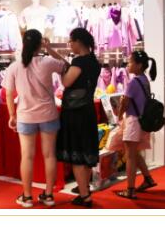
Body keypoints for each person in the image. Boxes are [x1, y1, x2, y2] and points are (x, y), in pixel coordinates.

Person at [3, 29, 68, 208]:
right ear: (40, 44)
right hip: (48, 114)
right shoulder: (48, 62)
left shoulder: (14, 66)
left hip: (25, 116)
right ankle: (49, 195)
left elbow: (9, 94)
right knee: (49, 155)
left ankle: (27, 196)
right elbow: (66, 64)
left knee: (27, 156)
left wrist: (12, 115)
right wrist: (50, 48)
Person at [56, 28, 101, 207]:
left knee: (77, 154)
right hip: (87, 110)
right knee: (86, 152)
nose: (70, 45)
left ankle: (85, 196)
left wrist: (61, 72)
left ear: (78, 42)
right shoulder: (93, 61)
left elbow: (66, 82)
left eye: (71, 41)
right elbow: (70, 66)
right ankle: (85, 189)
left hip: (75, 113)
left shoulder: (79, 62)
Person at [113, 50, 158, 200]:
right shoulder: (144, 79)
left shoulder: (133, 82)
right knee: (134, 152)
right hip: (142, 120)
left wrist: (119, 116)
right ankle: (148, 179)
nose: (128, 64)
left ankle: (130, 189)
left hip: (133, 121)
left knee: (130, 156)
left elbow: (125, 103)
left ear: (138, 65)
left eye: (130, 62)